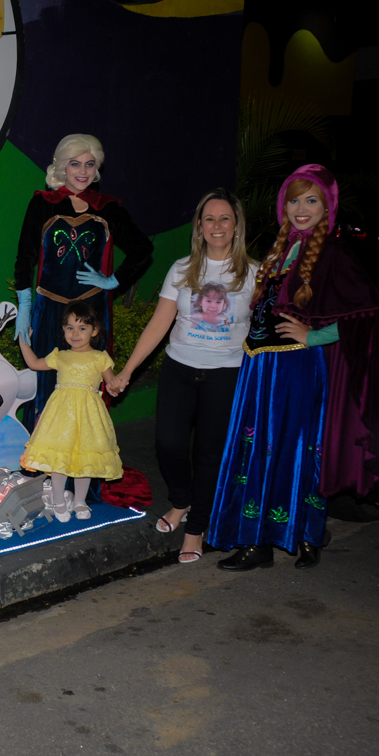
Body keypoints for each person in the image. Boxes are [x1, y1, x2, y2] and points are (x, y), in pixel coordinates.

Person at [208, 165, 379, 571]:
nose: (301, 209)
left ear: (328, 206)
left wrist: (315, 337)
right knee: (257, 453)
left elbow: (368, 314)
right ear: (282, 205)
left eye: (311, 200)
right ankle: (257, 543)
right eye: (294, 200)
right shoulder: (280, 248)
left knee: (296, 452)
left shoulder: (335, 253)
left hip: (297, 370)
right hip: (258, 370)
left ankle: (304, 533)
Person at [115, 189, 259, 563]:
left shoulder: (254, 274)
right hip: (180, 367)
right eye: (209, 218)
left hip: (226, 374)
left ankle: (195, 529)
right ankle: (180, 500)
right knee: (169, 444)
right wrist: (127, 370)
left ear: (236, 225)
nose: (217, 226)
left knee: (210, 453)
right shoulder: (181, 269)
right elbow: (160, 323)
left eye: (224, 218)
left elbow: (267, 327)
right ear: (199, 226)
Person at [13, 134, 154, 432]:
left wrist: (112, 280)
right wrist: (24, 306)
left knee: (84, 390)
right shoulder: (43, 203)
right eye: (75, 163)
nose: (83, 171)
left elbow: (143, 248)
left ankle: (80, 469)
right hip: (48, 310)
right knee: (44, 389)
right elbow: (25, 256)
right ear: (62, 166)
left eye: (90, 164)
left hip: (90, 313)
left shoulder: (107, 208)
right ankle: (41, 470)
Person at [19, 301, 124, 521]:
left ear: (94, 331)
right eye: (69, 328)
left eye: (82, 328)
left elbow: (111, 380)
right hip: (61, 415)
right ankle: (58, 500)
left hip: (89, 416)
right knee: (60, 458)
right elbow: (34, 363)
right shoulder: (60, 355)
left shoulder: (100, 357)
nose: (75, 333)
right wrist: (23, 341)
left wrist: (116, 385)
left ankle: (80, 501)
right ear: (63, 330)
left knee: (84, 460)